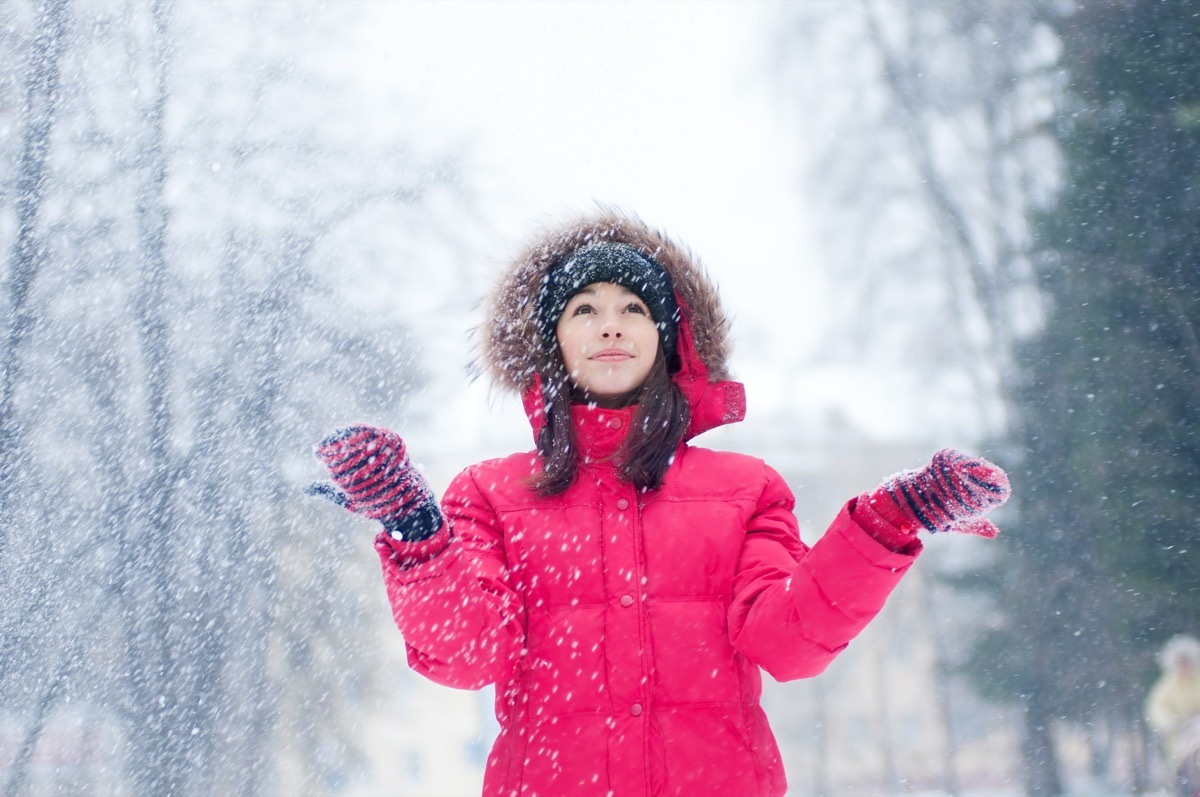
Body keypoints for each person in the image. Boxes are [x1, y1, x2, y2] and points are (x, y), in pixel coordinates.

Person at [308, 208, 1011, 797]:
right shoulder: (491, 494)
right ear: (552, 343)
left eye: (632, 309)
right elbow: (468, 654)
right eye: (584, 309)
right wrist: (415, 527)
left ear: (669, 340)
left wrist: (891, 520)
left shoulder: (746, 489)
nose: (609, 325)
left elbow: (788, 642)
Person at [1146, 634, 1200, 797]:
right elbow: (1157, 708)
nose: (1185, 666)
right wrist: (1171, 722)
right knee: (1185, 771)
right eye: (1181, 663)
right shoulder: (1166, 686)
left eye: (1188, 661)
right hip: (1180, 739)